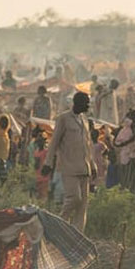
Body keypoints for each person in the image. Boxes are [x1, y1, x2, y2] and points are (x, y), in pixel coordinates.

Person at [43, 92, 96, 229]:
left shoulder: (85, 120)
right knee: (74, 199)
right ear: (77, 103)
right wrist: (48, 163)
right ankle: (59, 224)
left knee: (83, 206)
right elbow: (54, 142)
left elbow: (88, 145)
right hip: (69, 167)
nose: (88, 106)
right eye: (87, 103)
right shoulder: (63, 119)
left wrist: (93, 165)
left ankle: (77, 236)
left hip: (84, 168)